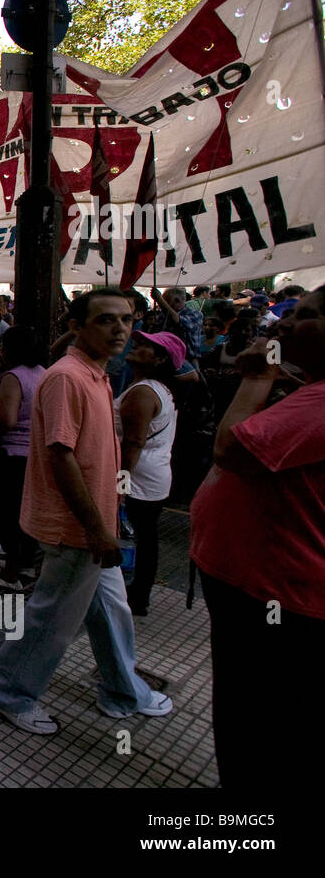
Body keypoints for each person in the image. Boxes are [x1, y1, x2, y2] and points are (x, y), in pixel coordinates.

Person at [0, 288, 171, 735]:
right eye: (105, 320)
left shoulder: (98, 374)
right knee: (52, 620)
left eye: (126, 319)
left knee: (112, 613)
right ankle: (3, 691)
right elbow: (61, 456)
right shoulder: (68, 377)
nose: (120, 328)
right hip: (75, 528)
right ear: (77, 328)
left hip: (97, 523)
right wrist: (96, 529)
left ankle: (124, 689)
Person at [190, 286, 325, 787]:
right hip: (266, 590)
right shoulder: (310, 393)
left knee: (256, 729)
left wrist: (258, 376)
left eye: (306, 316)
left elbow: (230, 448)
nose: (284, 323)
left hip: (278, 599)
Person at [0, 325, 45, 590]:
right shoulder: (41, 373)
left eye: (4, 343)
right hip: (30, 455)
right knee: (22, 514)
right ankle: (23, 564)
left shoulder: (13, 378)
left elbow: (6, 418)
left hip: (8, 455)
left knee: (5, 517)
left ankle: (13, 573)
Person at [115, 330, 182, 616]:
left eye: (146, 346)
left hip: (140, 476)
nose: (136, 346)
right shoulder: (154, 387)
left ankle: (137, 595)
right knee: (146, 536)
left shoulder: (143, 392)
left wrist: (120, 482)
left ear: (160, 359)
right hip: (155, 473)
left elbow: (133, 442)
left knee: (140, 536)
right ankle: (139, 594)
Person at [151, 285, 203, 360]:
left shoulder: (195, 314)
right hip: (167, 357)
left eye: (166, 302)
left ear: (177, 300)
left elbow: (178, 321)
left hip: (187, 359)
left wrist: (160, 300)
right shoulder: (164, 314)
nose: (162, 306)